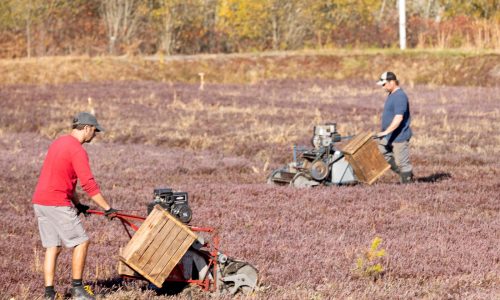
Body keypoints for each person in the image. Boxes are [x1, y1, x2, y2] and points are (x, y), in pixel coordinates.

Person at [32, 112, 118, 300]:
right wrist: (108, 208)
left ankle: (49, 294)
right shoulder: (77, 150)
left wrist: (78, 205)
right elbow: (89, 184)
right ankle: (78, 289)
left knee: (52, 247)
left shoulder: (58, 143)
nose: (94, 135)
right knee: (81, 241)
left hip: (40, 201)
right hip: (56, 203)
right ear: (86, 128)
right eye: (94, 131)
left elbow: (65, 180)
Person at [376, 71, 414, 183]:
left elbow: (398, 118)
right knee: (382, 152)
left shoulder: (400, 96)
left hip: (399, 136)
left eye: (384, 84)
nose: (383, 87)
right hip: (389, 135)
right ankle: (405, 175)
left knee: (402, 162)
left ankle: (408, 186)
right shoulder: (391, 94)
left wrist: (385, 132)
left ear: (392, 82)